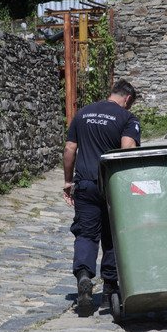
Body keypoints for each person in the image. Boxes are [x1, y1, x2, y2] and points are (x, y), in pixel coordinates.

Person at [63, 79, 140, 315]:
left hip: (85, 183)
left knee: (86, 234)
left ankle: (84, 276)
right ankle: (109, 291)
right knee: (113, 235)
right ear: (127, 99)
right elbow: (127, 149)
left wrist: (68, 181)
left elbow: (69, 149)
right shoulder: (127, 118)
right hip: (112, 185)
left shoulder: (82, 114)